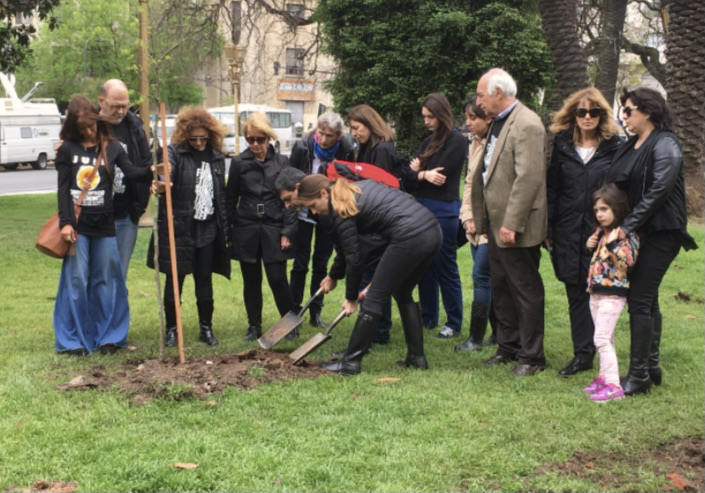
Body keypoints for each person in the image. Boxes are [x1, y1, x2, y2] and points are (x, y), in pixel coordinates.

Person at [295, 175, 442, 376]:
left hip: (409, 236)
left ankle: (350, 363)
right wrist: (333, 276)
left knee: (374, 299)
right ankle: (417, 358)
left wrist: (351, 299)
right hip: (432, 231)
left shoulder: (340, 207)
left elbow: (355, 258)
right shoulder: (351, 191)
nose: (313, 211)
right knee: (403, 291)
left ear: (323, 193)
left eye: (312, 205)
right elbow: (346, 248)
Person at [606, 87, 697, 395]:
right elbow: (616, 184)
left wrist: (627, 227)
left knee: (639, 299)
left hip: (662, 231)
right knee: (648, 297)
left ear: (648, 110)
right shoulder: (631, 144)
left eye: (629, 110)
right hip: (640, 231)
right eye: (623, 110)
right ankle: (652, 366)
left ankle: (639, 376)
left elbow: (659, 190)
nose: (624, 116)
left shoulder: (666, 143)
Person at [53, 95, 153, 355]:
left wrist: (155, 170)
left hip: (105, 225)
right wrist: (66, 223)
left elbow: (133, 173)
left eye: (92, 126)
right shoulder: (67, 150)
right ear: (74, 128)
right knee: (76, 280)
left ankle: (109, 337)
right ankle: (72, 341)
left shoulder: (113, 147)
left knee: (107, 280)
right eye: (83, 128)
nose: (89, 132)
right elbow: (63, 190)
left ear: (98, 122)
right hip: (77, 226)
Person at [469, 68, 548, 376]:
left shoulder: (527, 123)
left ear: (498, 93)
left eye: (480, 94)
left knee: (525, 289)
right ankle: (508, 347)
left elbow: (528, 178)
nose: (478, 100)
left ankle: (532, 357)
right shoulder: (500, 123)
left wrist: (512, 223)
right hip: (495, 222)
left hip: (517, 226)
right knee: (501, 286)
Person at [546, 87, 622, 377]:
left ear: (602, 115)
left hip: (600, 230)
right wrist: (549, 227)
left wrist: (611, 228)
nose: (587, 117)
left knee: (603, 293)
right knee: (576, 292)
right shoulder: (562, 145)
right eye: (582, 112)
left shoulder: (614, 146)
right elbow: (552, 188)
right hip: (566, 229)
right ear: (573, 115)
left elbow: (619, 190)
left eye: (594, 112)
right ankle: (582, 355)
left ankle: (603, 348)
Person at [147, 107, 231, 347]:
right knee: (175, 280)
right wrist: (161, 180)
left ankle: (206, 328)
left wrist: (225, 229)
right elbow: (164, 170)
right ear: (185, 135)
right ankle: (172, 330)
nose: (198, 142)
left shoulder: (216, 157)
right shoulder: (174, 152)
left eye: (203, 138)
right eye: (193, 138)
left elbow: (221, 195)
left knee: (204, 279)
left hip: (207, 229)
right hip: (180, 227)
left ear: (210, 134)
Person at [401, 93, 466, 339]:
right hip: (422, 209)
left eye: (430, 116)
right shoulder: (428, 141)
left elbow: (442, 176)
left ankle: (454, 321)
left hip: (444, 210)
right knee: (424, 265)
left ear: (441, 114)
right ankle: (428, 316)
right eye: (424, 117)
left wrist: (420, 172)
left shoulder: (457, 141)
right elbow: (409, 177)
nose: (427, 121)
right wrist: (421, 175)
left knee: (444, 265)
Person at [227, 113, 296, 342]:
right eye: (250, 139)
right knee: (251, 279)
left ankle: (289, 323)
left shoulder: (282, 162)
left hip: (274, 224)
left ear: (268, 138)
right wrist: (228, 230)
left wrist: (287, 231)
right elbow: (230, 198)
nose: (255, 144)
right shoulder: (239, 163)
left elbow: (290, 201)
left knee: (277, 278)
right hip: (246, 226)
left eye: (260, 139)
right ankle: (254, 325)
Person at [288, 112, 356, 328]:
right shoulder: (303, 147)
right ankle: (295, 310)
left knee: (321, 263)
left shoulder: (347, 148)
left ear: (338, 136)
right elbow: (291, 181)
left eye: (329, 135)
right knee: (300, 264)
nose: (324, 139)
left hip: (329, 212)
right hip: (304, 213)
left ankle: (316, 310)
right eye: (321, 133)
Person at [582, 184, 639, 402]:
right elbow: (600, 261)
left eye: (604, 209)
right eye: (597, 210)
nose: (599, 214)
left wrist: (614, 243)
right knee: (607, 338)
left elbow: (627, 262)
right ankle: (604, 378)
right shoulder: (602, 233)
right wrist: (591, 246)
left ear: (617, 207)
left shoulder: (626, 234)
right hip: (596, 293)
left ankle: (614, 385)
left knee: (602, 338)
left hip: (612, 295)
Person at [347, 104, 399, 344]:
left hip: (380, 222)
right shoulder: (365, 148)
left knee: (376, 277)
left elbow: (382, 185)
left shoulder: (383, 150)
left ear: (369, 124)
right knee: (371, 275)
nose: (354, 133)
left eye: (357, 128)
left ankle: (380, 330)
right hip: (368, 220)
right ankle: (375, 326)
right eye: (351, 129)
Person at [98, 79, 153, 279]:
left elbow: (146, 165)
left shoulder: (135, 128)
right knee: (98, 274)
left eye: (124, 106)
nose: (120, 111)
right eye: (115, 106)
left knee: (119, 274)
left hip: (126, 214)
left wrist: (138, 208)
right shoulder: (88, 126)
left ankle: (118, 310)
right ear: (101, 101)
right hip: (95, 215)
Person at [456, 96, 498, 352]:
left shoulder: (496, 145)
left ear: (488, 119)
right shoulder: (474, 143)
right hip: (475, 223)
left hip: (492, 224)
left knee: (481, 277)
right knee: (487, 279)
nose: (468, 123)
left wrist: (482, 221)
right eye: (467, 118)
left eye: (473, 118)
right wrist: (468, 217)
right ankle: (499, 332)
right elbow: (470, 183)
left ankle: (476, 338)